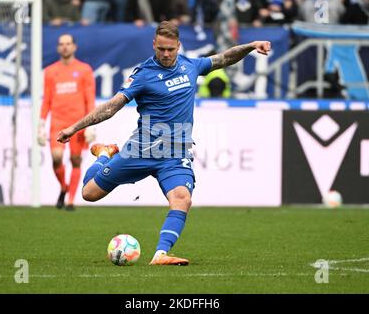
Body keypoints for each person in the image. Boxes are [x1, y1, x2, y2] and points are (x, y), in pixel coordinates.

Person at [57, 21, 270, 264]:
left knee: (182, 198)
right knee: (89, 193)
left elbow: (224, 58)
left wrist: (252, 45)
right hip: (141, 150)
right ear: (154, 45)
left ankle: (160, 254)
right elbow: (112, 107)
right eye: (161, 49)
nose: (166, 54)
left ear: (179, 45)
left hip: (174, 153)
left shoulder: (191, 66)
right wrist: (74, 128)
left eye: (170, 49)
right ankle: (105, 154)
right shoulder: (143, 74)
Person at [39, 34, 96, 211]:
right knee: (56, 158)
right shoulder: (50, 71)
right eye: (61, 44)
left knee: (75, 160)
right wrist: (41, 124)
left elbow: (89, 99)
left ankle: (70, 199)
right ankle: (64, 186)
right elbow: (47, 99)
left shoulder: (85, 70)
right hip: (58, 121)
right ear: (58, 48)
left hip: (77, 123)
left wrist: (90, 125)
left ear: (74, 47)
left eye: (68, 44)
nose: (65, 47)